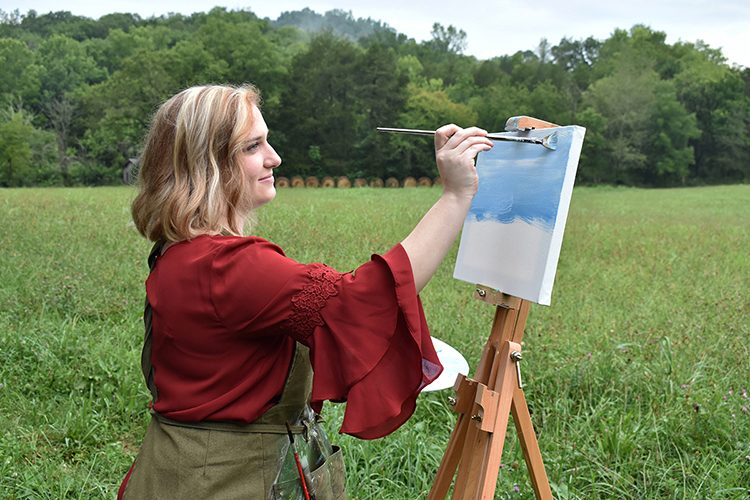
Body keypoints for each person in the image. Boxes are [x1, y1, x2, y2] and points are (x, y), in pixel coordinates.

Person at [117, 84, 493, 499]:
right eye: (252, 146)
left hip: (170, 473)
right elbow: (366, 300)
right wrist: (456, 195)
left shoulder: (178, 251)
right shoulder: (228, 265)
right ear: (208, 164)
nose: (274, 157)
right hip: (223, 483)